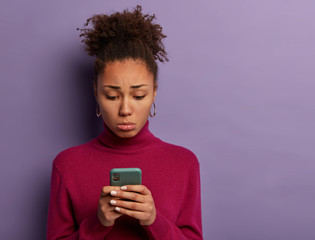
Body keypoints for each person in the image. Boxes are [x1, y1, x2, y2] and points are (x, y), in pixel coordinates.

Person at [46, 5, 203, 240]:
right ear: (96, 92)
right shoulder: (67, 165)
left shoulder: (184, 163)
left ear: (154, 92)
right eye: (112, 95)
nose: (125, 110)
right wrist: (98, 223)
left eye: (138, 95)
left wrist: (154, 220)